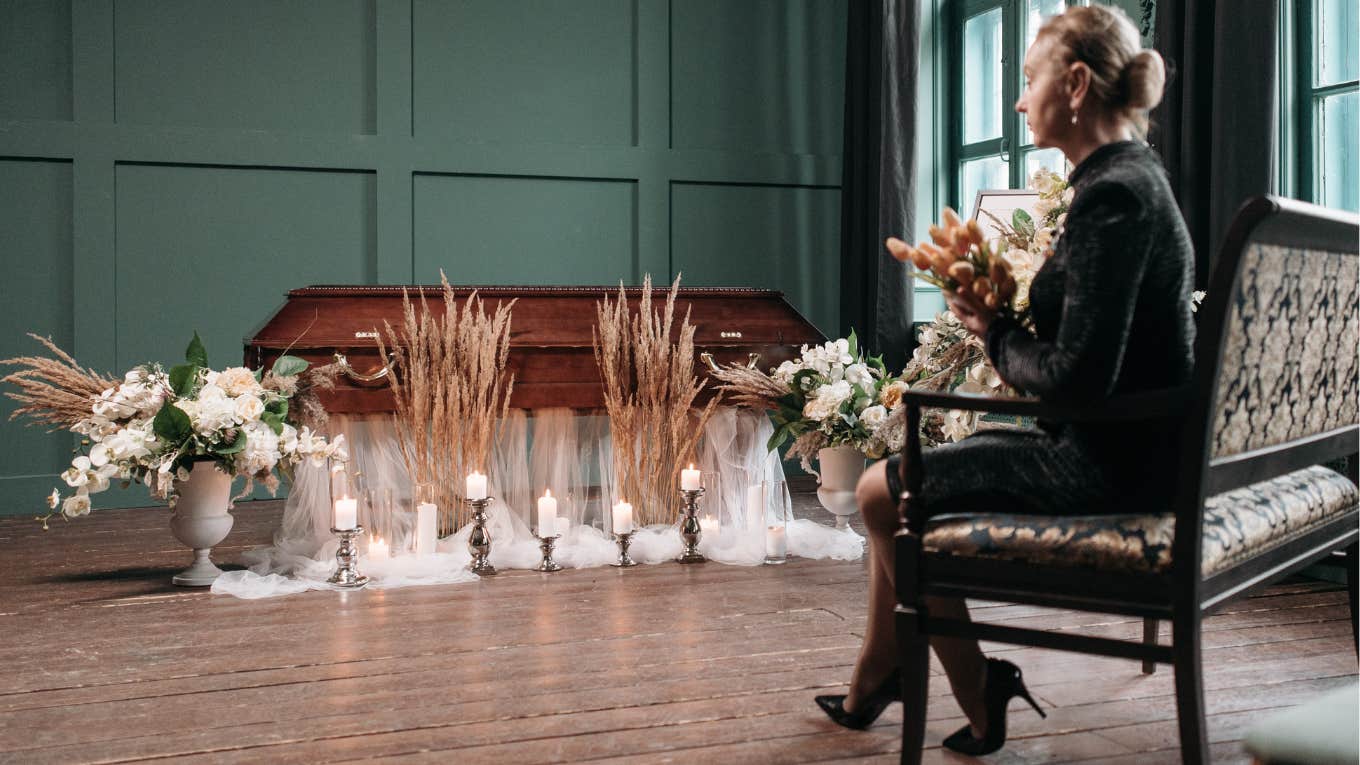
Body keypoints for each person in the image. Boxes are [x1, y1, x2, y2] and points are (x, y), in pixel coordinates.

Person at [814, 5, 1196, 756]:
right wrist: (1002, 317)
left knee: (877, 491)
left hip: (1108, 465)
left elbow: (1074, 382)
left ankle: (972, 683)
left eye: (1029, 80)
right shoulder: (1129, 180)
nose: (1020, 101)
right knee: (904, 487)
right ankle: (878, 670)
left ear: (1077, 83)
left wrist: (992, 330)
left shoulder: (1113, 197)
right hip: (1131, 447)